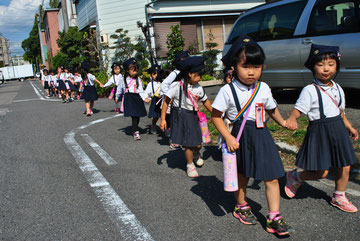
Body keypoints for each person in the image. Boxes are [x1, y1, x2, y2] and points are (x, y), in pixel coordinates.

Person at [211, 35, 293, 235]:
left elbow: (271, 108)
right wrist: (228, 138)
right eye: (246, 66)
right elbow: (216, 116)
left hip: (262, 135)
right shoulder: (227, 90)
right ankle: (241, 205)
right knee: (242, 175)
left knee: (272, 176)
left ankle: (274, 216)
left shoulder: (263, 87)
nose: (252, 72)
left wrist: (283, 122)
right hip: (240, 138)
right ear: (234, 67)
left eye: (256, 67)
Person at [285, 44, 358, 213]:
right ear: (313, 67)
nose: (326, 69)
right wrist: (291, 119)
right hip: (320, 132)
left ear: (337, 66)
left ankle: (339, 196)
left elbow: (341, 112)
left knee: (345, 166)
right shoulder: (309, 90)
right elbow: (298, 110)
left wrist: (349, 127)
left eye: (331, 64)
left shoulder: (338, 88)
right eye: (321, 65)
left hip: (338, 130)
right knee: (322, 172)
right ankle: (295, 176)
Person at [160, 56, 212, 178]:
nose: (201, 78)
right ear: (190, 74)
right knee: (188, 143)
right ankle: (190, 165)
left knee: (198, 143)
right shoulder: (177, 85)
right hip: (181, 117)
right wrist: (163, 119)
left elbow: (206, 102)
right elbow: (166, 101)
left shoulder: (198, 87)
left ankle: (196, 153)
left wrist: (216, 114)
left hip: (193, 117)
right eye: (199, 75)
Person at [161, 51, 190, 148]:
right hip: (175, 102)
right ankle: (174, 140)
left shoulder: (185, 72)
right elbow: (164, 85)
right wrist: (170, 96)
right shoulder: (175, 73)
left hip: (183, 100)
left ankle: (182, 139)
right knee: (176, 121)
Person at [115, 58, 149, 140]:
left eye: (136, 71)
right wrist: (116, 97)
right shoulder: (123, 80)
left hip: (137, 98)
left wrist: (145, 98)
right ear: (127, 70)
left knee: (137, 115)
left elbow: (140, 90)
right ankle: (135, 131)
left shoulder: (138, 79)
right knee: (134, 115)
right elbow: (119, 89)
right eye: (133, 70)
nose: (135, 72)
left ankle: (135, 128)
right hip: (129, 98)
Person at [145, 64, 163, 134]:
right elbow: (147, 92)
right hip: (155, 101)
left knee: (165, 115)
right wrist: (146, 97)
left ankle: (167, 128)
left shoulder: (163, 82)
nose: (156, 75)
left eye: (158, 73)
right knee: (155, 116)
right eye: (154, 74)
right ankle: (153, 125)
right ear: (151, 75)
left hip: (163, 100)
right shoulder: (150, 84)